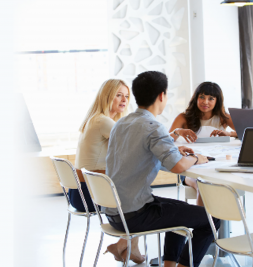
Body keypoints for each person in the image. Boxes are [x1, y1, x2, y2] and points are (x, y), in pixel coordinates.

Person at [105, 71, 220, 267]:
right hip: (135, 214)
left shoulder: (122, 123)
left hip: (114, 212)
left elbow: (139, 150)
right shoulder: (152, 126)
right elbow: (177, 166)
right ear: (161, 96)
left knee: (176, 211)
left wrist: (173, 148)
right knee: (212, 221)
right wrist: (195, 157)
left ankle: (170, 265)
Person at [73, 79, 145, 264]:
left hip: (79, 193)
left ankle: (128, 246)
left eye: (127, 96)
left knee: (134, 190)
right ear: (107, 96)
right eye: (118, 95)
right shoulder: (102, 121)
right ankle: (124, 245)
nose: (124, 100)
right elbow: (135, 143)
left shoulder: (95, 119)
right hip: (89, 195)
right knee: (139, 198)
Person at [168, 82, 236, 206]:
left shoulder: (223, 117)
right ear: (196, 98)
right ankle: (204, 223)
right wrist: (178, 132)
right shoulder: (183, 117)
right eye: (202, 97)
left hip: (216, 164)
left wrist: (229, 134)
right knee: (203, 185)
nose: (205, 102)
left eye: (211, 98)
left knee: (218, 184)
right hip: (190, 167)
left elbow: (245, 132)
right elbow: (166, 140)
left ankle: (215, 222)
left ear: (217, 101)